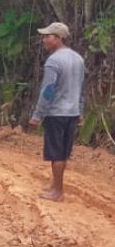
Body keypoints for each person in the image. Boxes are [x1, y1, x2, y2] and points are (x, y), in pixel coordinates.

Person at [30, 22, 84, 202]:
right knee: (63, 152)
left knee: (56, 154)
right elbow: (80, 87)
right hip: (72, 113)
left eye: (48, 36)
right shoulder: (78, 59)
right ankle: (55, 186)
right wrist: (80, 111)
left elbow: (48, 90)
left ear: (59, 38)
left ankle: (57, 192)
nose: (44, 39)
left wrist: (38, 114)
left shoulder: (54, 61)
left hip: (56, 113)